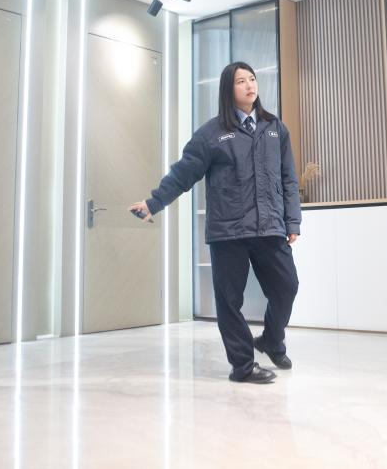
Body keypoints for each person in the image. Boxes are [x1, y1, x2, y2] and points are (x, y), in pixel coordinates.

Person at [129, 61, 301, 384]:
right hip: (228, 231)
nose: (250, 85)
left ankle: (272, 339)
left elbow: (288, 177)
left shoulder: (275, 128)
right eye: (241, 81)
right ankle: (243, 366)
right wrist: (154, 202)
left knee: (287, 286)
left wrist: (292, 221)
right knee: (229, 300)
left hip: (270, 226)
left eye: (252, 79)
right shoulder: (212, 133)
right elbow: (184, 172)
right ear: (227, 89)